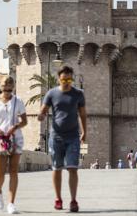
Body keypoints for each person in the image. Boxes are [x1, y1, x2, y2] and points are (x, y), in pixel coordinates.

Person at [38, 66, 87, 212]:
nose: (66, 81)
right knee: (57, 169)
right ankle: (58, 199)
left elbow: (83, 114)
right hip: (56, 137)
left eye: (69, 79)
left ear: (72, 78)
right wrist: (41, 115)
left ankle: (73, 200)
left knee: (73, 169)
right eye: (64, 79)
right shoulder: (51, 93)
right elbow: (43, 110)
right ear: (59, 78)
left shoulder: (78, 94)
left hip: (73, 137)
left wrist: (85, 132)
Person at [0, 76, 28, 215]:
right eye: (5, 85)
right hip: (0, 140)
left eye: (10, 86)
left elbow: (24, 121)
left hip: (16, 139)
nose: (7, 88)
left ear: (13, 86)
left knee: (14, 171)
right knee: (0, 172)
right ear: (0, 86)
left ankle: (11, 203)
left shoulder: (18, 101)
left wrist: (15, 127)